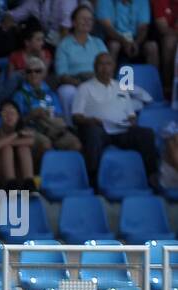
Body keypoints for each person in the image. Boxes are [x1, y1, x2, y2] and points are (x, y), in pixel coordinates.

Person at [72, 52, 159, 185]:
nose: (105, 68)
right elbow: (76, 117)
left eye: (109, 64)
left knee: (146, 134)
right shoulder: (84, 88)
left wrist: (131, 121)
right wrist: (91, 121)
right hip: (99, 129)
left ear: (114, 67)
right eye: (101, 64)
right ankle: (93, 179)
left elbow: (131, 114)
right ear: (95, 67)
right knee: (93, 133)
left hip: (121, 129)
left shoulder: (122, 87)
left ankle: (151, 176)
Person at [11, 55, 82, 149]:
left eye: (37, 71)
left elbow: (59, 115)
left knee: (75, 144)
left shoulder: (51, 93)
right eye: (29, 71)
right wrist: (31, 115)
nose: (33, 74)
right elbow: (15, 123)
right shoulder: (19, 95)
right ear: (25, 74)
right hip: (32, 129)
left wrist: (48, 115)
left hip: (52, 128)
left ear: (43, 74)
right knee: (45, 144)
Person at [54, 5, 108, 116]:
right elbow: (62, 75)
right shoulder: (64, 45)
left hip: (97, 81)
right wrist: (82, 84)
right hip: (75, 83)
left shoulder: (98, 42)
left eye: (90, 19)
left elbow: (108, 66)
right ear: (73, 22)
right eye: (83, 19)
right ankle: (70, 127)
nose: (87, 22)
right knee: (66, 92)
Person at [0, 100, 40, 190]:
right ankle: (10, 184)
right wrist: (17, 134)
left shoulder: (26, 130)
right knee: (6, 148)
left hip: (20, 176)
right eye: (5, 113)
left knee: (23, 147)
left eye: (12, 112)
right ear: (0, 116)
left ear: (18, 116)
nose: (9, 116)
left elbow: (32, 141)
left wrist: (7, 142)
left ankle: (29, 183)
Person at [98, 0, 158, 68]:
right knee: (114, 46)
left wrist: (136, 43)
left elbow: (143, 27)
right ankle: (109, 77)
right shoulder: (105, 1)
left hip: (136, 38)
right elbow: (108, 28)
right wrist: (124, 41)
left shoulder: (142, 1)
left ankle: (153, 77)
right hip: (115, 37)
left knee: (152, 46)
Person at [4, 0, 76, 47]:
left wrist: (62, 49)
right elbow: (11, 16)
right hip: (47, 40)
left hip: (68, 40)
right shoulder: (33, 2)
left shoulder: (66, 1)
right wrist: (14, 26)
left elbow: (66, 27)